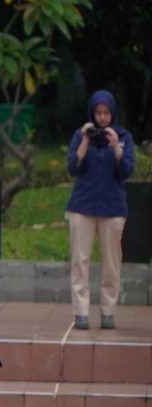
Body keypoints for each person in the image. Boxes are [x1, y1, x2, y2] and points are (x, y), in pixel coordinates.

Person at [65, 90, 134, 330]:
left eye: (106, 113)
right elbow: (73, 168)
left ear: (112, 113)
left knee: (111, 263)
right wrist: (85, 139)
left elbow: (125, 172)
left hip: (112, 207)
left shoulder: (123, 136)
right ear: (92, 113)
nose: (102, 118)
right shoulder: (81, 135)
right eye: (98, 112)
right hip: (82, 206)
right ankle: (81, 312)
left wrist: (116, 147)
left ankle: (108, 311)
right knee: (80, 261)